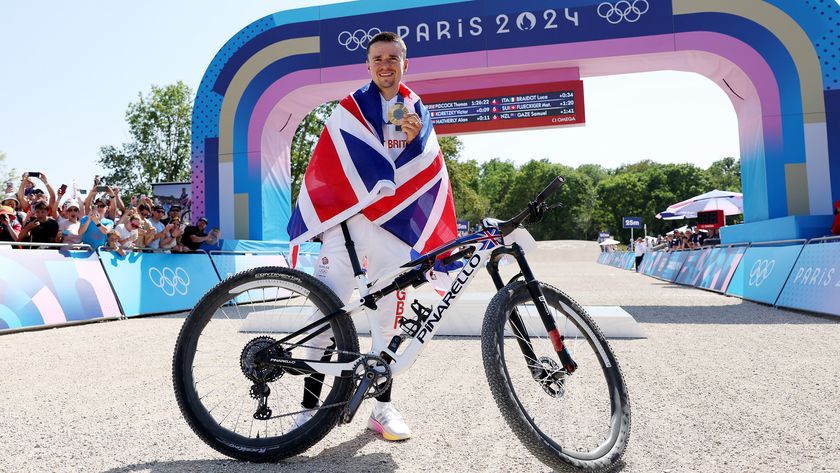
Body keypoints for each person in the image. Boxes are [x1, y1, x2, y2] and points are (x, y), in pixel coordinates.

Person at [286, 31, 457, 441]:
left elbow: (429, 169)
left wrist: (415, 144)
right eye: (378, 58)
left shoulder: (416, 110)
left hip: (392, 228)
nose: (385, 65)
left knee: (387, 318)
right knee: (323, 316)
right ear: (367, 65)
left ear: (405, 63)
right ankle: (307, 411)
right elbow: (327, 162)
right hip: (347, 224)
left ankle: (382, 408)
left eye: (393, 58)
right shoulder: (348, 108)